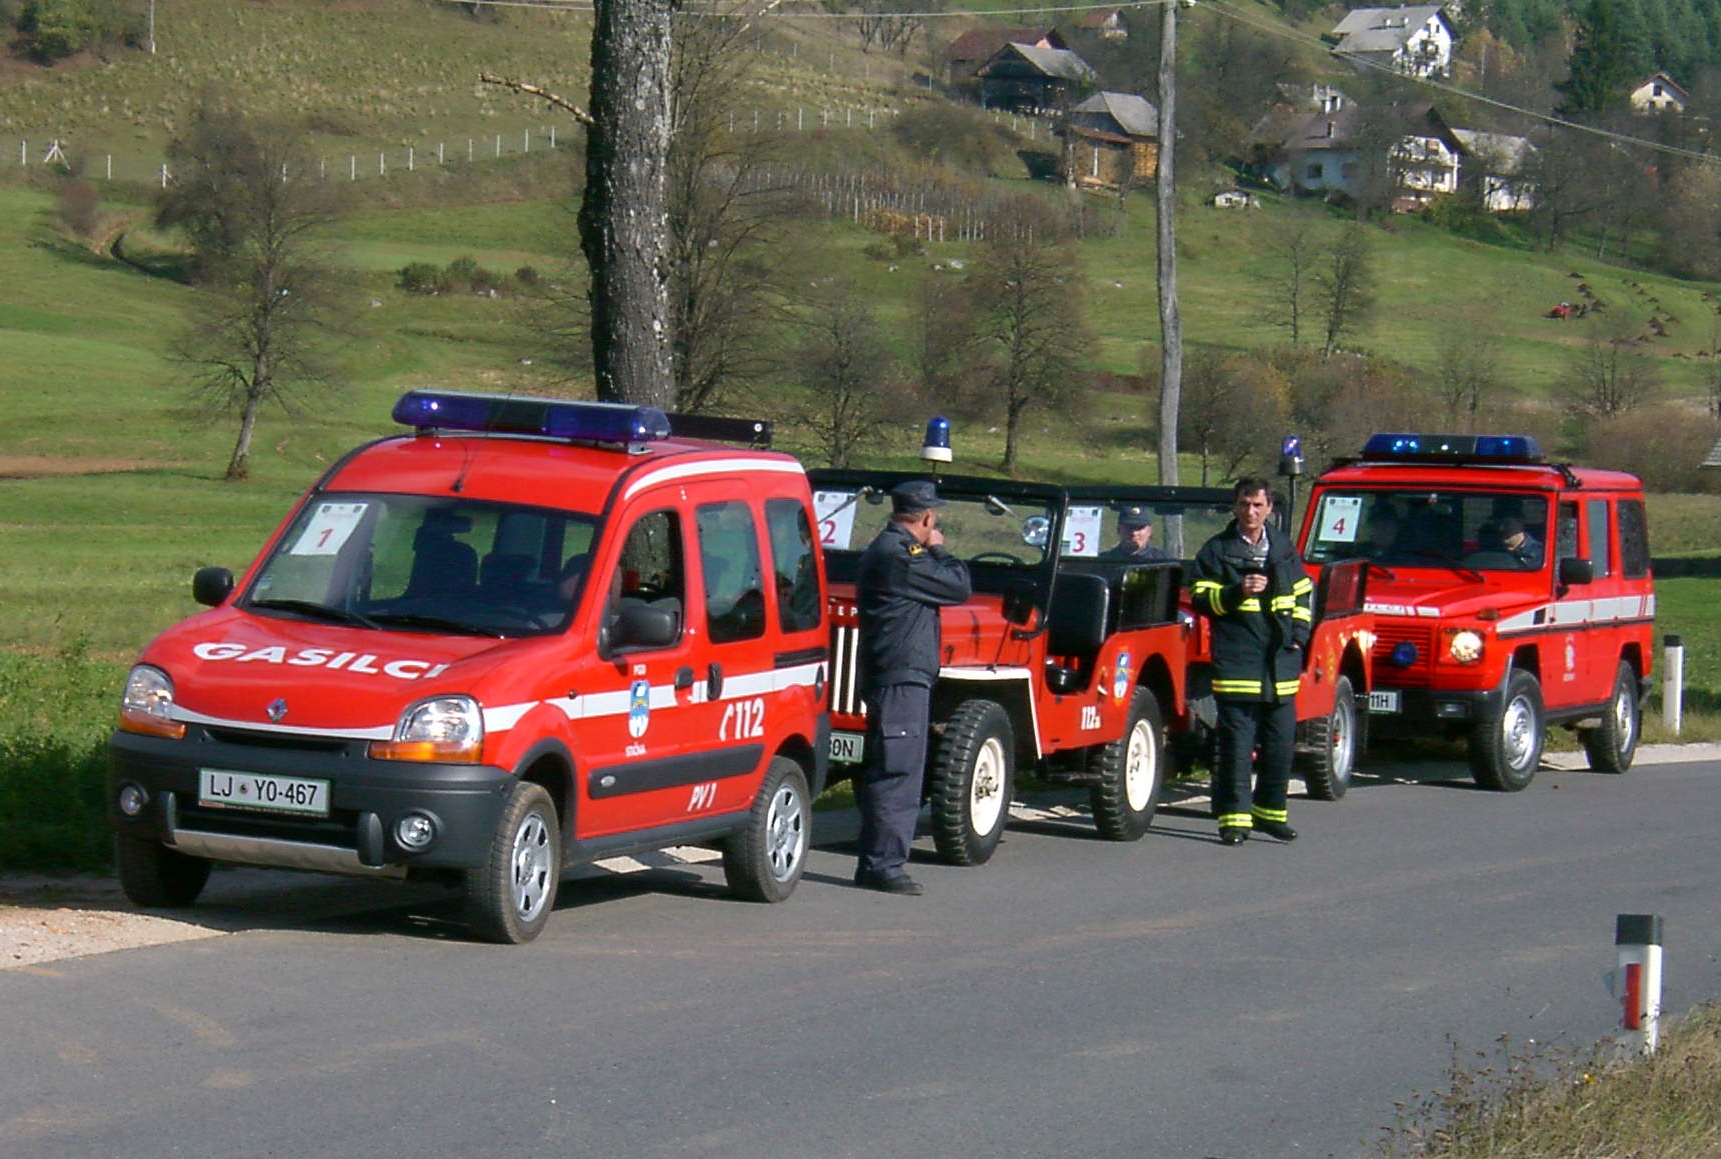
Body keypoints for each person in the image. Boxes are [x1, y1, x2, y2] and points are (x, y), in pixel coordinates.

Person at [853, 479, 972, 895]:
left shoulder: (890, 551)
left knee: (894, 768)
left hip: (897, 675)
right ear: (927, 517)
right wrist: (940, 548)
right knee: (898, 772)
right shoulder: (901, 556)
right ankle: (882, 864)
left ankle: (879, 860)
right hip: (900, 678)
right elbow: (958, 585)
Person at [1189, 477, 1314, 846]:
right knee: (1236, 749)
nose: (1251, 512)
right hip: (1238, 664)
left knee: (1280, 746)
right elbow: (1199, 597)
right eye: (1244, 504)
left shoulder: (1284, 549)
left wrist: (1298, 636)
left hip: (1280, 665)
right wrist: (1235, 592)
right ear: (1235, 506)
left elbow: (1303, 593)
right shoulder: (1216, 550)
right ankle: (1234, 820)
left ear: (1269, 508)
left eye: (1258, 505)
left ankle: (1270, 814)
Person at [1101, 505, 1170, 561]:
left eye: (1139, 528)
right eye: (1129, 527)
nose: (1134, 533)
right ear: (1118, 529)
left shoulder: (1163, 561)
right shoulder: (1104, 561)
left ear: (1150, 531)